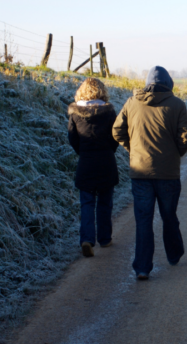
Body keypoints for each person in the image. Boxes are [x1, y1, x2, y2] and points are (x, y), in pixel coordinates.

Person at [112, 66, 187, 280]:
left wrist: (133, 149)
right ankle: (174, 255)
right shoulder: (177, 105)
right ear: (169, 83)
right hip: (168, 174)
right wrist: (175, 153)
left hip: (140, 174)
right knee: (169, 216)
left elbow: (116, 130)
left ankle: (142, 267)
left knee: (143, 220)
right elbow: (186, 136)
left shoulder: (132, 102)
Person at [68, 77, 120, 258]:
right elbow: (116, 137)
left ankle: (87, 240)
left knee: (87, 204)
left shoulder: (75, 113)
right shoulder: (109, 112)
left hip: (86, 163)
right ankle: (105, 239)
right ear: (102, 91)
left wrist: (83, 152)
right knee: (105, 203)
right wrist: (109, 151)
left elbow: (72, 139)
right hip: (106, 162)